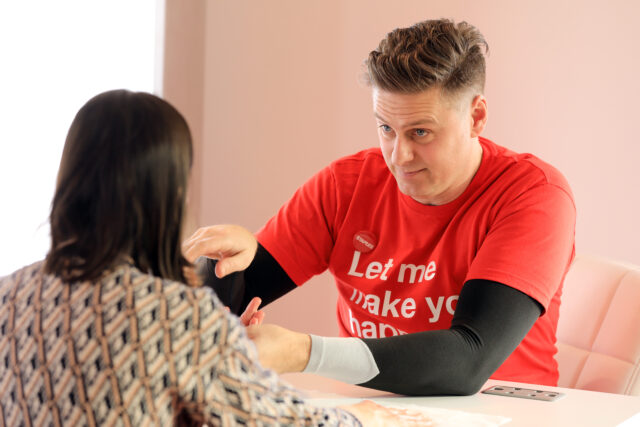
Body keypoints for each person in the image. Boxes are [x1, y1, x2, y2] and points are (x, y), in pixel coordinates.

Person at [184, 18, 576, 397]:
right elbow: (213, 310)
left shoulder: (533, 195)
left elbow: (468, 361)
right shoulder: (346, 185)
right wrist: (220, 263)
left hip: (502, 412)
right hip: (368, 408)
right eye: (386, 128)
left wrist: (303, 353)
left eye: (420, 132)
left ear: (476, 117)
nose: (400, 156)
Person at [0, 90, 430, 425]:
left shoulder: (9, 294)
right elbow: (280, 421)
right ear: (169, 192)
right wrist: (359, 418)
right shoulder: (176, 315)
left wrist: (218, 351)